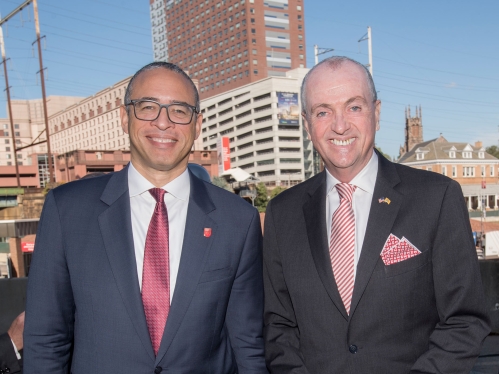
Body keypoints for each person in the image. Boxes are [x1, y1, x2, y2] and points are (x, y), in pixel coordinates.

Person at [24, 62, 267, 373]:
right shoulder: (66, 210)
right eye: (148, 107)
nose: (163, 123)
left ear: (197, 123)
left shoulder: (239, 220)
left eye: (179, 110)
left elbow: (248, 343)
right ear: (124, 116)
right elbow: (46, 339)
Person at [263, 56, 490, 373]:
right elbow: (278, 326)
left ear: (377, 113)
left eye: (354, 107)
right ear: (306, 123)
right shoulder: (281, 213)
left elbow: (464, 320)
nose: (339, 125)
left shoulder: (436, 197)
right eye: (323, 111)